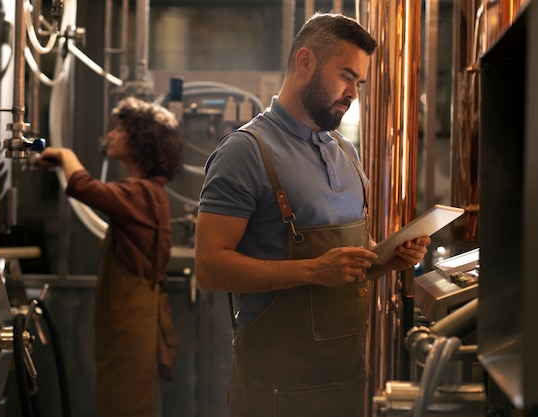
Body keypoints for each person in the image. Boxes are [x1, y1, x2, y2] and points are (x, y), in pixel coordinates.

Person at [194, 13, 431, 417]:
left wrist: (384, 260)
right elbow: (210, 267)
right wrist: (311, 271)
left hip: (346, 384)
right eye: (345, 76)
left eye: (359, 82)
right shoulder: (245, 152)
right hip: (273, 393)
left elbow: (341, 267)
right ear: (305, 61)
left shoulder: (346, 152)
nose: (353, 92)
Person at [38, 96, 184, 417]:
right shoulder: (148, 191)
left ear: (141, 142)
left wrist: (65, 155)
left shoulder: (142, 193)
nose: (112, 135)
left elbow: (83, 187)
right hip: (132, 326)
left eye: (121, 129)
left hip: (132, 330)